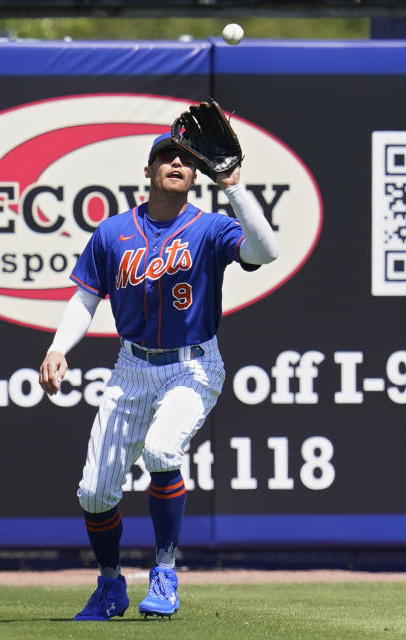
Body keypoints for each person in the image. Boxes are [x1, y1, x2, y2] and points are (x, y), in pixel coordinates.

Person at [38, 129, 279, 620]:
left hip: (193, 363)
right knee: (95, 491)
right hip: (132, 366)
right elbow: (87, 297)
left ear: (195, 174)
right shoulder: (112, 232)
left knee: (163, 450)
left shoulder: (211, 228)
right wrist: (59, 346)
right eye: (164, 156)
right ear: (146, 171)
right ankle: (110, 587)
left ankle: (165, 572)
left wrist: (233, 183)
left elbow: (266, 251)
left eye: (185, 159)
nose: (175, 163)